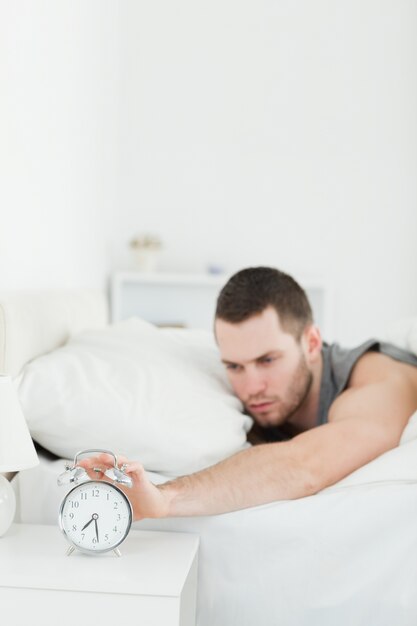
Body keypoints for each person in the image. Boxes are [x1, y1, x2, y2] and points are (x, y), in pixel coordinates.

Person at [80, 267, 417, 520]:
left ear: (312, 343)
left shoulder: (377, 380)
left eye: (267, 360)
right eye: (235, 366)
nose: (251, 388)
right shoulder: (241, 393)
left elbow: (306, 466)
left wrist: (166, 497)